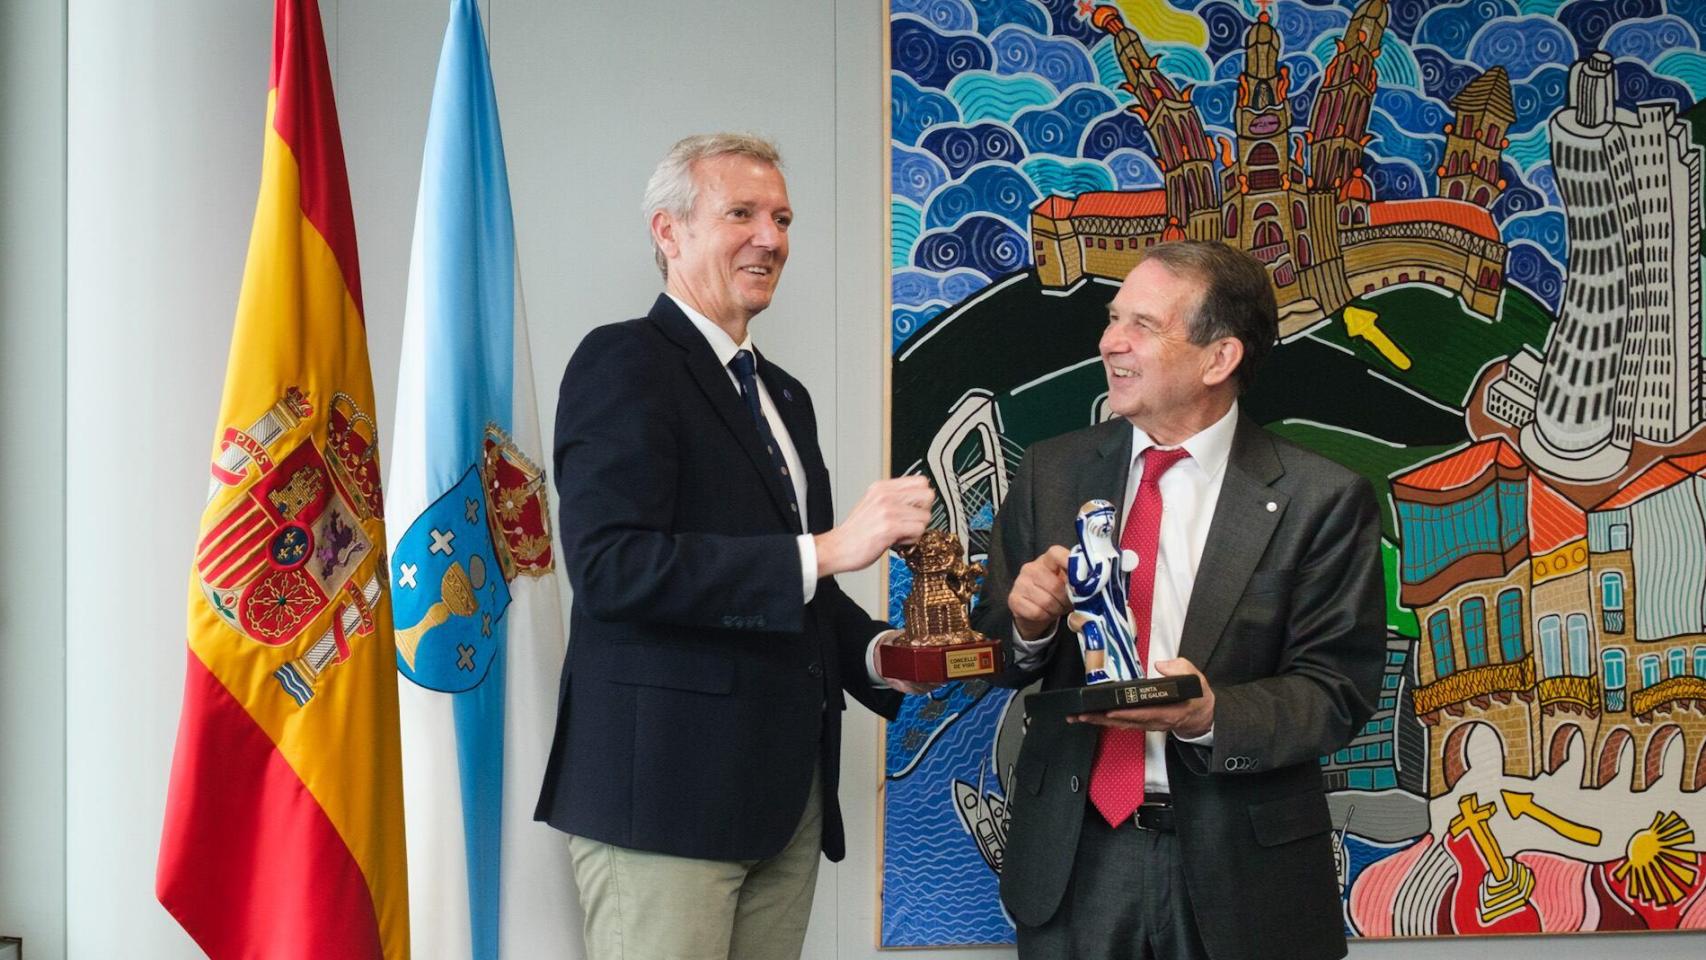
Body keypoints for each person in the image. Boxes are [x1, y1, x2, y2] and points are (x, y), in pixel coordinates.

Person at [535, 133, 932, 960]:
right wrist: (830, 547)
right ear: (668, 232)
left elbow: (797, 591)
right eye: (741, 213)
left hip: (784, 804)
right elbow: (612, 570)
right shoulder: (623, 362)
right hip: (666, 806)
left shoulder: (785, 394)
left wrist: (887, 654)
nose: (771, 237)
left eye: (782, 217)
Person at [973, 241, 1385, 960]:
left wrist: (1209, 714)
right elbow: (995, 655)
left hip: (1242, 869)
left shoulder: (1321, 500)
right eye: (1111, 318)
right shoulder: (1051, 471)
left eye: (1142, 324)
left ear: (1218, 359)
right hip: (1075, 861)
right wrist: (1027, 625)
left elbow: (1336, 693)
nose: (1110, 341)